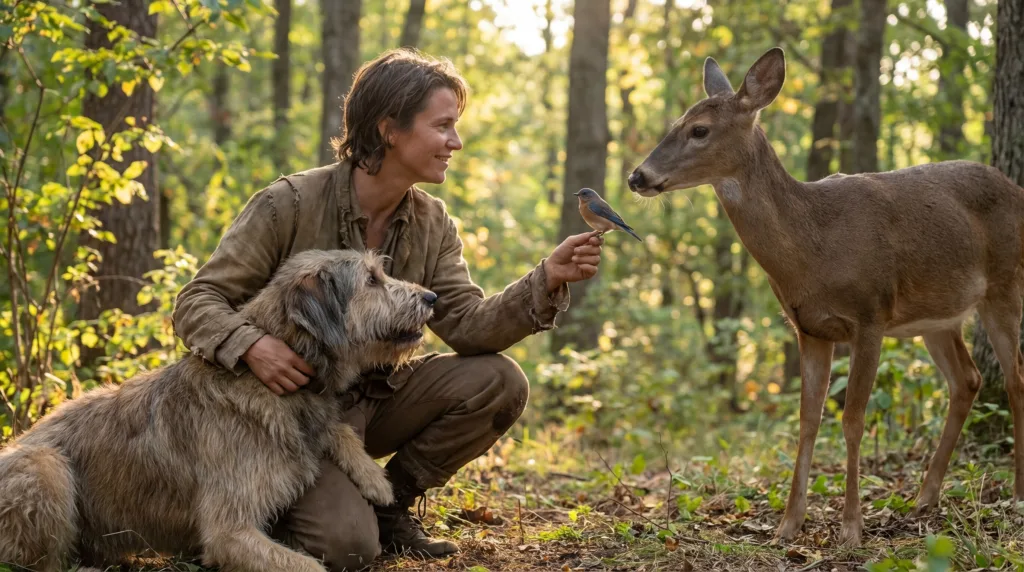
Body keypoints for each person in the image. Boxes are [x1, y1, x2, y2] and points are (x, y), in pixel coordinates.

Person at [171, 47, 604, 570]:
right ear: (390, 129)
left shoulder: (434, 222)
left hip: (371, 403)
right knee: (347, 548)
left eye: (456, 127)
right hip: (278, 418)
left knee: (499, 380)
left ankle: (391, 507)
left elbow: (466, 326)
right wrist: (253, 346)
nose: (455, 142)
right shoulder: (287, 205)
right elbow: (197, 301)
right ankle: (273, 504)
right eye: (443, 125)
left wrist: (545, 279)